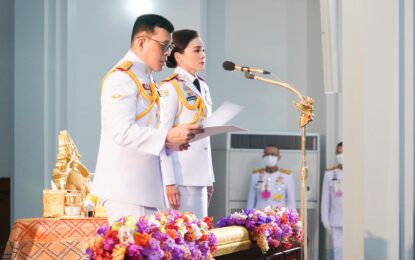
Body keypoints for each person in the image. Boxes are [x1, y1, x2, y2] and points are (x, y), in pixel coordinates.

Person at [92, 15, 202, 224]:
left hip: (145, 188)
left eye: (170, 46)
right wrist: (167, 136)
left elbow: (149, 131)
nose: (168, 53)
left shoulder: (146, 78)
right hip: (127, 189)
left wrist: (171, 143)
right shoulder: (121, 77)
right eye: (164, 45)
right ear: (142, 41)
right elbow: (121, 131)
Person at [158, 29, 214, 219]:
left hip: (200, 177)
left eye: (204, 50)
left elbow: (205, 139)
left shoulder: (203, 86)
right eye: (197, 50)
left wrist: (209, 179)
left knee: (201, 241)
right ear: (179, 56)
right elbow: (161, 137)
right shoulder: (170, 87)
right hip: (180, 179)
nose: (203, 55)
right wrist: (169, 181)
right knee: (181, 240)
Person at [246, 144, 296, 210]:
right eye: (267, 154)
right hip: (259, 216)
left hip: (279, 217)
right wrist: (248, 218)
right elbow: (251, 200)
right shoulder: (256, 176)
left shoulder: (287, 176)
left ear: (279, 157)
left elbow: (291, 201)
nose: (269, 157)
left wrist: (293, 218)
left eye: (273, 154)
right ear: (263, 156)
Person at [321, 142, 343, 260]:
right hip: (336, 219)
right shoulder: (330, 173)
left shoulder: (356, 172)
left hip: (354, 220)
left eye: (343, 152)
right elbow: (325, 199)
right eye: (338, 153)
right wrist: (325, 220)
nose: (341, 155)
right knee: (338, 251)